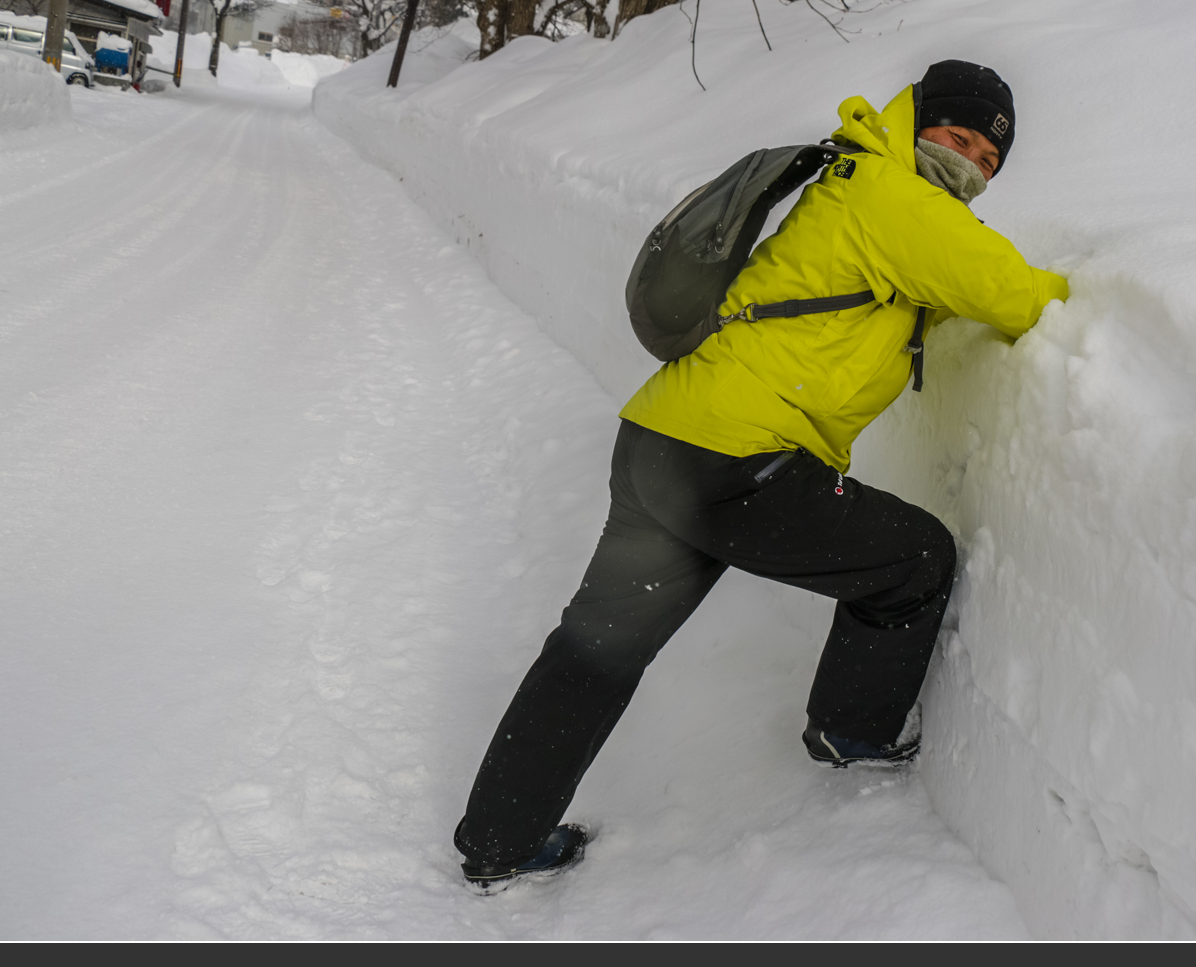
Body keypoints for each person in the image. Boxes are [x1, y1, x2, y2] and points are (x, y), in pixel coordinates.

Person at [455, 60, 1070, 888]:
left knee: (595, 646)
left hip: (663, 438)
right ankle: (852, 730)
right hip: (740, 464)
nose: (970, 164)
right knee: (916, 560)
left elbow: (917, 278)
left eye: (988, 162)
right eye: (959, 138)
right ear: (917, 118)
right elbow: (1021, 295)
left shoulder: (856, 180)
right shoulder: (895, 198)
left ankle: (500, 838)